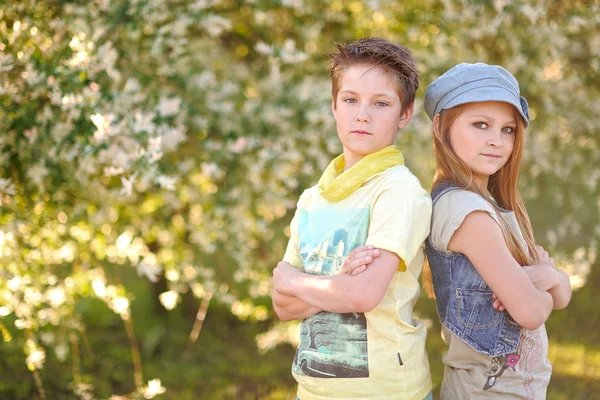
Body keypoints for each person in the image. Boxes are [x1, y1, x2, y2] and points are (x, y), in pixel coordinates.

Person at [271, 37, 433, 400]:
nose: (363, 114)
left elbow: (363, 294)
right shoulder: (312, 199)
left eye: (381, 103)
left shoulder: (398, 192)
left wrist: (295, 280)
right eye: (350, 100)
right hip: (312, 391)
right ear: (334, 106)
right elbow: (282, 306)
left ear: (404, 114)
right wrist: (337, 283)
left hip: (387, 391)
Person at [420, 63, 572, 398]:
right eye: (481, 125)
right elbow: (531, 312)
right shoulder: (467, 212)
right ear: (441, 126)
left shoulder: (492, 205)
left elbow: (562, 294)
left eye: (507, 130)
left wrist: (548, 278)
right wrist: (545, 276)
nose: (496, 141)